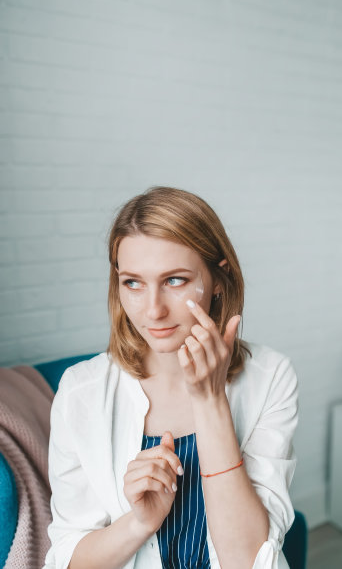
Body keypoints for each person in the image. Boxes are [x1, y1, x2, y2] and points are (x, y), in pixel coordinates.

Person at [43, 186, 298, 569]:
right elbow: (67, 558)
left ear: (217, 279)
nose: (153, 310)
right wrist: (140, 522)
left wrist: (210, 400)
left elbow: (249, 560)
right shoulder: (81, 391)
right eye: (133, 282)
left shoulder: (271, 377)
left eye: (174, 280)